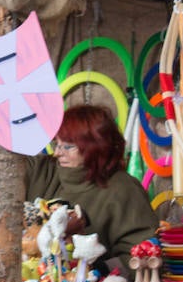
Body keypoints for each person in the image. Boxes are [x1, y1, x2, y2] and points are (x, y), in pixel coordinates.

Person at [25, 104, 159, 269]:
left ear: (95, 147)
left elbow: (139, 256)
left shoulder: (123, 189)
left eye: (68, 146)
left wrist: (90, 273)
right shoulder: (46, 171)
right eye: (56, 144)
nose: (58, 152)